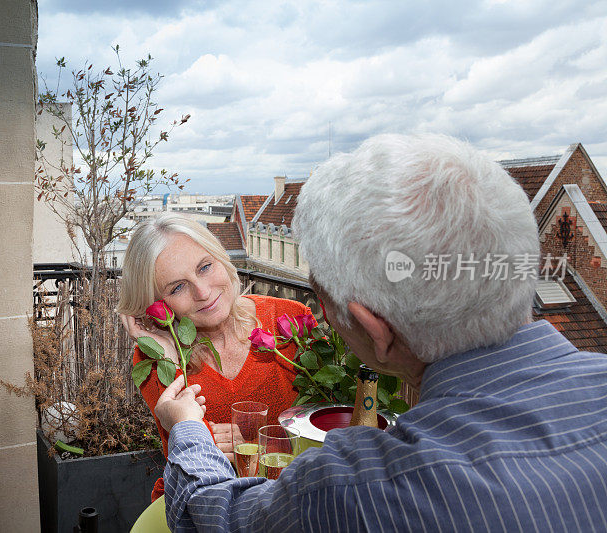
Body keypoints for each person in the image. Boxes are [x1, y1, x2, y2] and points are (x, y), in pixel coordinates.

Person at [155, 134, 607, 531]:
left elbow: (208, 516)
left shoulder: (359, 489)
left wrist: (188, 430)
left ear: (375, 329)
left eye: (324, 300)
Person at [117, 213, 315, 501]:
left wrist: (238, 445)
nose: (203, 291)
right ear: (156, 304)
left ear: (221, 258)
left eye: (205, 267)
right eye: (177, 287)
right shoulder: (155, 357)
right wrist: (171, 360)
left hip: (298, 499)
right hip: (203, 506)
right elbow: (185, 457)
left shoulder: (289, 319)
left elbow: (329, 427)